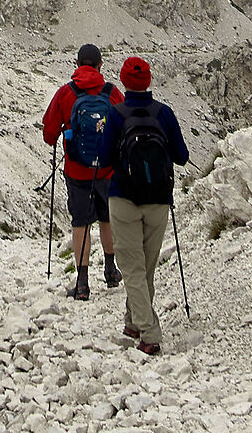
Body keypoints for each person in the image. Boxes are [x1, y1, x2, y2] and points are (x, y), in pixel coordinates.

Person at [105, 54, 189, 355]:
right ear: (149, 80)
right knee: (145, 268)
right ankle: (132, 320)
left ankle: (149, 333)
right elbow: (181, 156)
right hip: (158, 203)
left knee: (132, 268)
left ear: (124, 81)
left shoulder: (116, 114)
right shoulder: (164, 113)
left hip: (124, 200)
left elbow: (103, 159)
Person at [40, 43, 122, 299]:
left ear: (76, 65)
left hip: (76, 171)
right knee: (107, 218)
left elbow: (49, 133)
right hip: (107, 170)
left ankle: (83, 283)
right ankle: (111, 271)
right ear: (100, 66)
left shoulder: (66, 93)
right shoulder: (111, 92)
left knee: (81, 223)